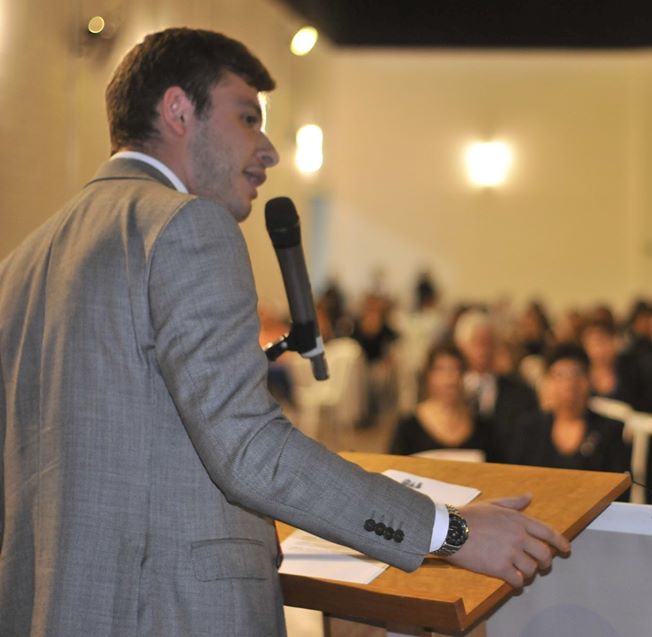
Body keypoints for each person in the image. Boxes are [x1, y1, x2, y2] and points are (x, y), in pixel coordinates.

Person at [0, 28, 568, 636]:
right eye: (248, 117)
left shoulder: (21, 262)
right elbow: (248, 447)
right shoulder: (188, 225)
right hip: (172, 613)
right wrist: (452, 532)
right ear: (178, 110)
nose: (268, 150)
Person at [508, 344, 631, 481]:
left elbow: (619, 485)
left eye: (576, 373)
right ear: (548, 382)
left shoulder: (610, 430)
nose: (569, 383)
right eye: (560, 375)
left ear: (588, 380)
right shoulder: (529, 428)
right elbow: (516, 479)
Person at [390, 342, 502, 461]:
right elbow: (392, 466)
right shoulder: (409, 426)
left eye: (456, 369)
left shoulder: (483, 427)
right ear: (428, 376)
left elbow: (499, 467)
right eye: (441, 369)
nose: (450, 377)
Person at [454, 309, 540, 441]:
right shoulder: (450, 389)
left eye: (490, 343)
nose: (484, 350)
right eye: (478, 342)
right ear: (461, 346)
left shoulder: (521, 393)